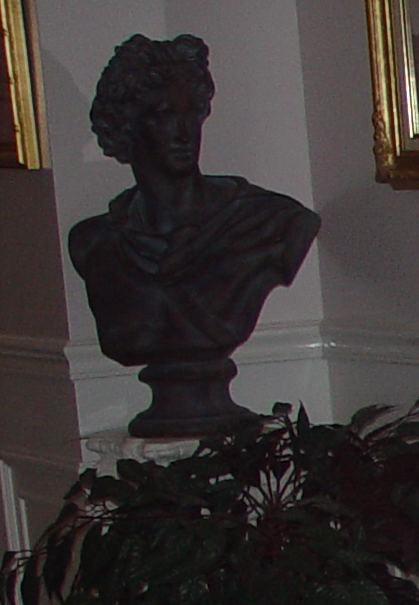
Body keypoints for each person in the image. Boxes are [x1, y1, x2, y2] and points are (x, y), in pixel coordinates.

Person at [66, 33, 319, 438]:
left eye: (192, 114)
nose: (184, 132)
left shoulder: (269, 223)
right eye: (162, 115)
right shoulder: (95, 242)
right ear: (125, 126)